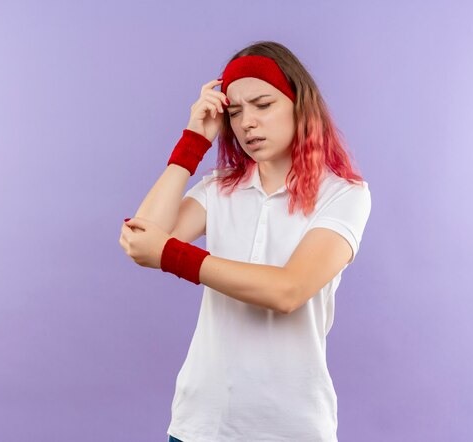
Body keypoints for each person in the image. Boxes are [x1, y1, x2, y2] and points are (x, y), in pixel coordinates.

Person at [119, 41, 372, 442]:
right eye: (234, 112)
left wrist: (170, 255)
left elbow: (287, 290)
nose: (247, 123)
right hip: (201, 422)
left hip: (291, 426)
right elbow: (140, 237)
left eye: (262, 104)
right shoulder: (220, 189)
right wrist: (193, 140)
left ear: (299, 105)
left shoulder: (344, 195)